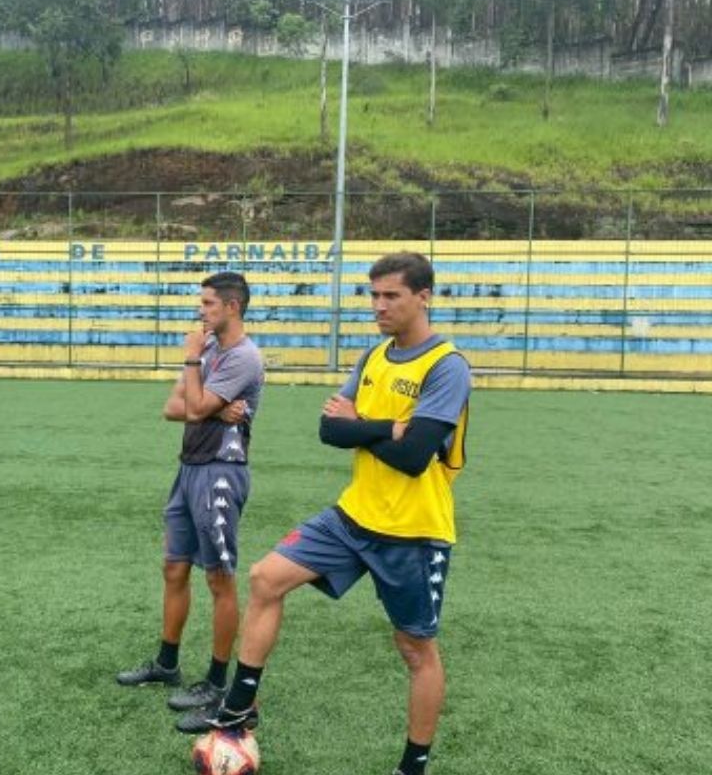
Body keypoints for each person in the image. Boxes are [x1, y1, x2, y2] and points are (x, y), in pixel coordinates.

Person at [175, 252, 471, 775]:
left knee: (415, 650)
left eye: (391, 296)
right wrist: (386, 426)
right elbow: (329, 430)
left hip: (414, 533)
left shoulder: (446, 367)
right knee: (267, 578)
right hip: (353, 516)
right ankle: (238, 711)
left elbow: (413, 457)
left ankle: (413, 767)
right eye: (373, 295)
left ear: (423, 297)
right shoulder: (373, 357)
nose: (378, 306)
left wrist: (364, 422)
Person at [116, 271, 266, 717]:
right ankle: (167, 664)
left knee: (219, 577)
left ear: (232, 306)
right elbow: (173, 409)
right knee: (173, 568)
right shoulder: (212, 351)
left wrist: (191, 365)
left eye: (207, 304)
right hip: (188, 470)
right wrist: (211, 407)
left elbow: (195, 405)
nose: (200, 311)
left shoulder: (244, 357)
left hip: (221, 473)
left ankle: (217, 684)